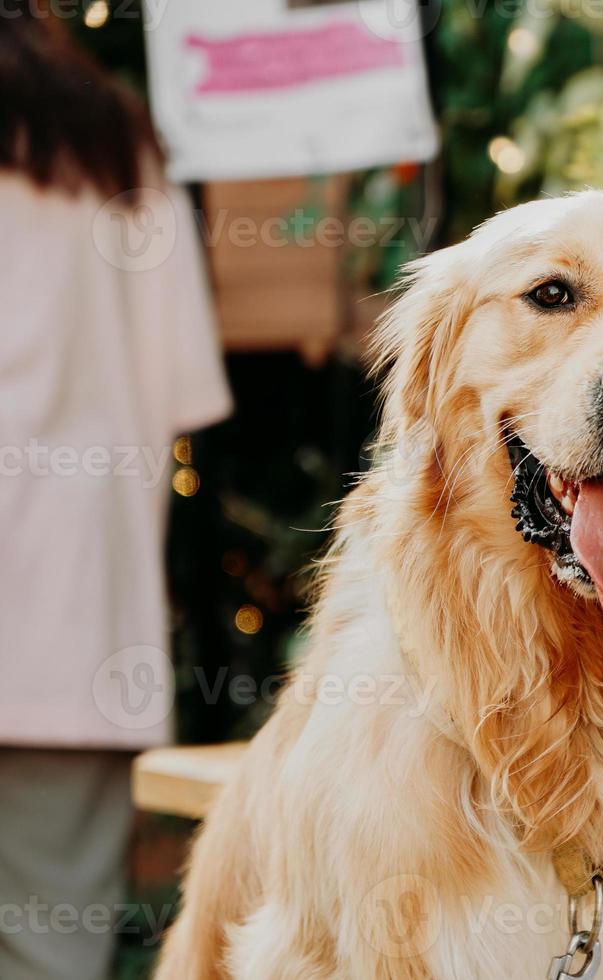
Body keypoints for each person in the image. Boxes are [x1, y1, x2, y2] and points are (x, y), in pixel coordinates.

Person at [0, 15, 231, 979]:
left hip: (72, 613)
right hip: (74, 617)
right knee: (52, 952)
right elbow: (183, 386)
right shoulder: (115, 138)